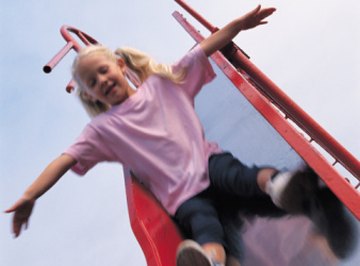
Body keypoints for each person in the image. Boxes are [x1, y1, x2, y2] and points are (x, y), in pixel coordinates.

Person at [5, 5, 356, 266]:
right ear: (90, 95)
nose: (102, 81)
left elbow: (199, 53)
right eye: (92, 83)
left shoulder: (161, 86)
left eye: (103, 71)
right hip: (182, 196)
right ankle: (212, 261)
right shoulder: (102, 130)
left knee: (244, 177)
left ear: (120, 65)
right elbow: (63, 161)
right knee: (204, 226)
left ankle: (281, 186)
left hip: (209, 164)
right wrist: (30, 195)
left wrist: (237, 26)